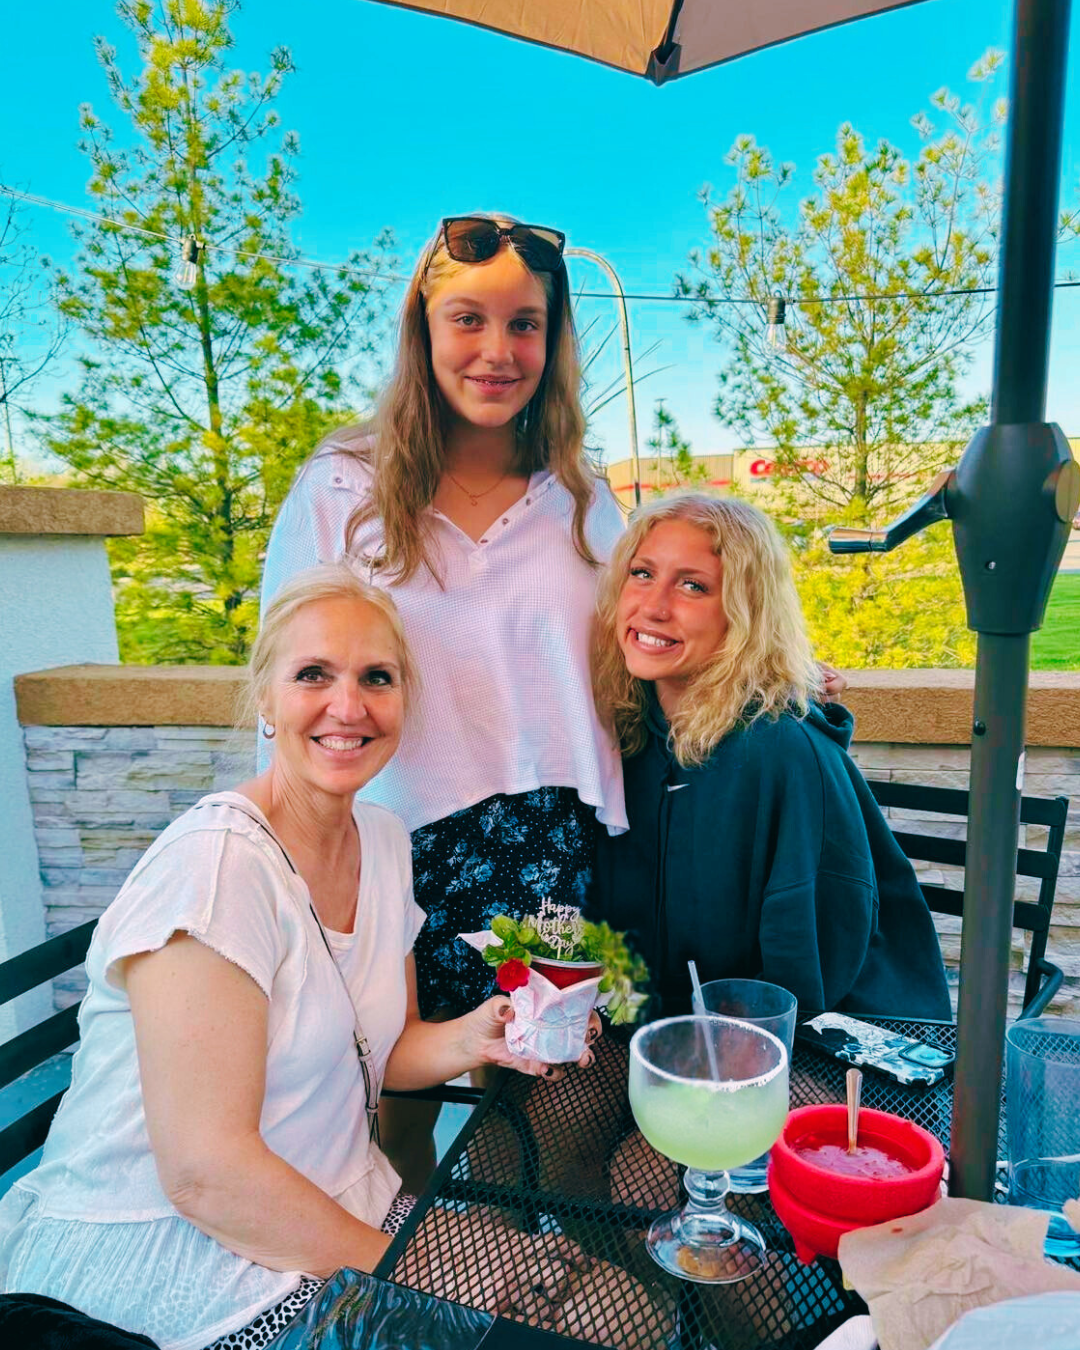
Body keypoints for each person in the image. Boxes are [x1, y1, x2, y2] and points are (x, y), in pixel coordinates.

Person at [0, 566, 598, 1350]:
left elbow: (384, 1046)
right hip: (172, 1255)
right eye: (313, 674)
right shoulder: (216, 871)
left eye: (376, 678)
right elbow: (206, 1175)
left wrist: (476, 1036)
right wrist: (411, 1273)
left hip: (332, 1207)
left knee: (597, 1300)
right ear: (267, 698)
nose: (347, 707)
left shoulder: (384, 841)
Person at [259, 213, 628, 1185]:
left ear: (554, 343)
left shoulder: (582, 503)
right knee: (392, 1103)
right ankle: (418, 1298)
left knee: (543, 1095)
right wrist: (285, 854)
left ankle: (530, 1287)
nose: (499, 351)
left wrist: (769, 672)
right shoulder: (343, 490)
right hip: (388, 844)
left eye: (526, 324)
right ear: (421, 333)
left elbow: (645, 649)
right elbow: (288, 673)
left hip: (550, 855)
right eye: (468, 319)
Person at [587, 494, 951, 1020]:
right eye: (642, 573)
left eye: (694, 585)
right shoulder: (622, 734)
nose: (654, 606)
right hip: (644, 1027)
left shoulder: (783, 750)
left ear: (746, 611)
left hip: (807, 1040)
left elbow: (809, 968)